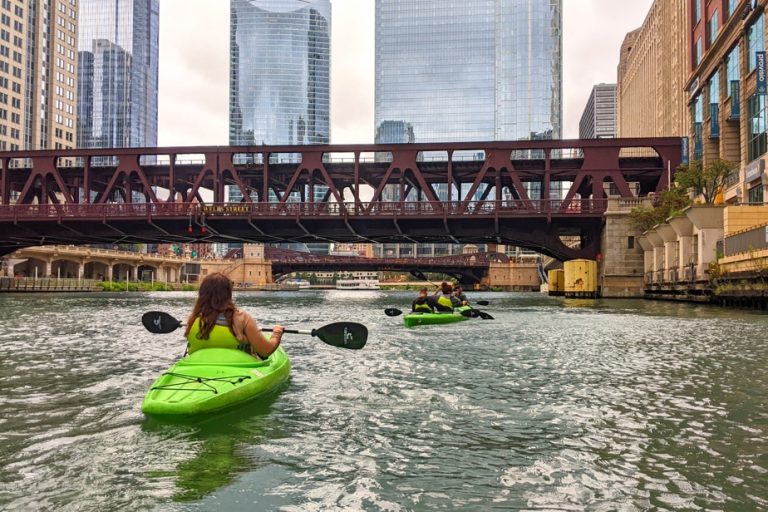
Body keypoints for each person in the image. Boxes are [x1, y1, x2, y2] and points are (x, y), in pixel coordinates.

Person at [184, 272, 284, 359]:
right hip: (237, 368)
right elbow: (265, 351)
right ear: (228, 294)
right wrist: (276, 335)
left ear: (202, 293)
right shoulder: (242, 318)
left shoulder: (194, 318)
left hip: (196, 366)